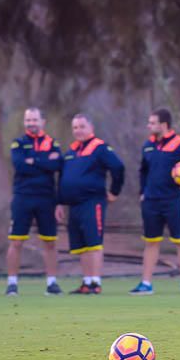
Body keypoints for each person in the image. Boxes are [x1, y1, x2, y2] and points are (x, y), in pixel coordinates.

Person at [55, 114, 125, 294]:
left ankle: (95, 282)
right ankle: (86, 283)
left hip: (92, 202)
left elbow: (118, 167)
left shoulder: (100, 148)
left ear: (91, 128)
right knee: (81, 245)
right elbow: (63, 178)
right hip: (74, 205)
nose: (78, 130)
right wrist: (60, 202)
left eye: (82, 126)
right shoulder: (71, 152)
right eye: (75, 127)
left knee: (93, 243)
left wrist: (114, 192)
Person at [130, 109, 180, 295]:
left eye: (152, 123)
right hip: (151, 201)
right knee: (151, 242)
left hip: (174, 200)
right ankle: (146, 283)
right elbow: (142, 171)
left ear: (164, 124)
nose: (148, 126)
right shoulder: (148, 145)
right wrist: (143, 192)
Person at [6, 107, 63, 296]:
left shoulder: (53, 143)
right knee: (16, 242)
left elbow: (57, 165)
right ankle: (12, 284)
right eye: (28, 120)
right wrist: (44, 162)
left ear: (43, 122)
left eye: (34, 120)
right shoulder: (18, 143)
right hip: (23, 197)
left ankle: (52, 283)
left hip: (47, 198)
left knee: (50, 243)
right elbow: (20, 166)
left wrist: (33, 161)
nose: (31, 124)